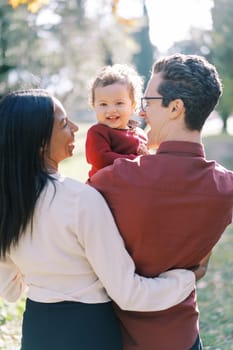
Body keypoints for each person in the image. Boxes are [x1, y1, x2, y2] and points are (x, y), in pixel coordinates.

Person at [0, 89, 197, 350]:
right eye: (63, 124)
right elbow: (129, 294)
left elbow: (11, 291)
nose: (75, 129)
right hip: (89, 331)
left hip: (37, 329)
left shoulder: (7, 203)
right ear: (40, 142)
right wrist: (187, 278)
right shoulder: (81, 199)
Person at [88, 54, 233, 350]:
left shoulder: (116, 178)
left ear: (175, 108)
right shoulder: (225, 187)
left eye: (148, 102)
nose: (141, 113)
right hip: (183, 337)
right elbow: (200, 268)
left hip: (120, 337)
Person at [85, 64, 148, 177]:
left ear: (133, 105)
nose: (111, 110)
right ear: (94, 106)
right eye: (103, 104)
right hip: (103, 191)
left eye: (119, 103)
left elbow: (148, 163)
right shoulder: (97, 133)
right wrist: (138, 160)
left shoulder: (139, 134)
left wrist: (148, 159)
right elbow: (101, 160)